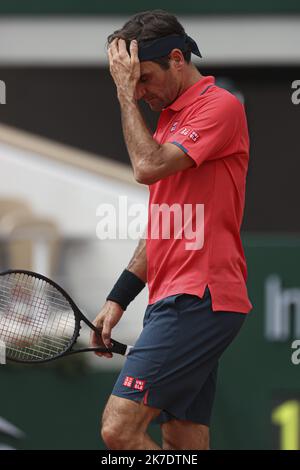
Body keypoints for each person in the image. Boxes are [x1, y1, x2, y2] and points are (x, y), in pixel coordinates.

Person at [90, 9, 252, 450]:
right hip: (175, 298)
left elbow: (146, 167)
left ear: (177, 59)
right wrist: (119, 296)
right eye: (131, 83)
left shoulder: (220, 106)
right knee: (184, 440)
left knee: (118, 430)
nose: (139, 93)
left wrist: (123, 97)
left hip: (200, 297)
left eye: (143, 79)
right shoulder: (170, 118)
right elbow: (166, 219)